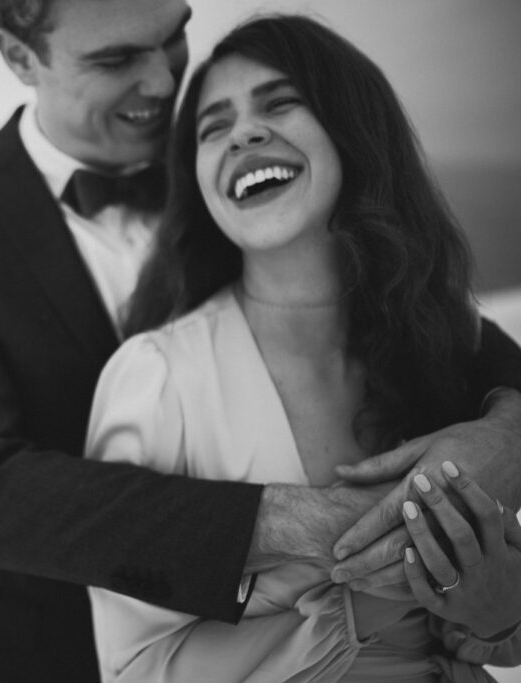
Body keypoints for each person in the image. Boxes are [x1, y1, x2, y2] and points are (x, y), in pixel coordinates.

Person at [0, 1, 521, 680]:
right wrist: (296, 521)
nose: (160, 82)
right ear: (20, 58)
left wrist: (509, 435)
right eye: (117, 59)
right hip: (14, 646)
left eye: (172, 37)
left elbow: (466, 347)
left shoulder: (254, 177)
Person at [85, 14, 521, 681]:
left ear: (352, 129)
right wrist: (341, 606)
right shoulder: (158, 379)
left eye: (280, 102)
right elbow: (135, 664)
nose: (244, 133)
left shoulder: (451, 346)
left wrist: (497, 611)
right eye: (213, 127)